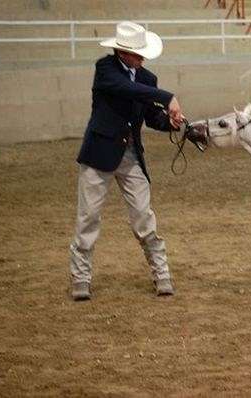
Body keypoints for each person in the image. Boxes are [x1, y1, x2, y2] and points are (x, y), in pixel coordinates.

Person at [68, 21, 183, 301]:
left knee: (144, 216)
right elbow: (125, 90)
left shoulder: (147, 79)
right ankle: (80, 278)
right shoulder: (105, 70)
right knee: (88, 217)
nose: (142, 58)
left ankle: (162, 274)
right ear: (122, 51)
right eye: (137, 53)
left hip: (130, 155)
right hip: (99, 154)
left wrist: (171, 121)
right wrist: (168, 97)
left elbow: (149, 116)